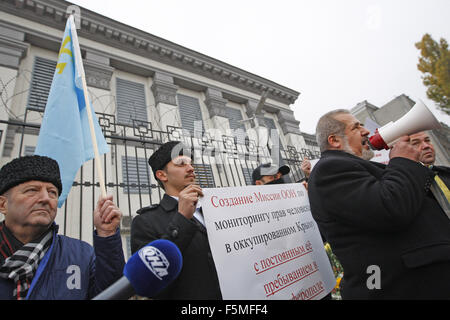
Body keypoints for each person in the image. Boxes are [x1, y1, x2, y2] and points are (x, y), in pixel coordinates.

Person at [308, 109, 450, 299]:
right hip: (402, 288)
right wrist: (402, 161)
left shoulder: (358, 167)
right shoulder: (329, 169)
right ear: (334, 140)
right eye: (356, 127)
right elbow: (390, 208)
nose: (366, 131)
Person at [0, 155, 125, 300]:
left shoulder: (82, 255)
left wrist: (107, 234)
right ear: (3, 205)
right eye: (32, 190)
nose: (46, 198)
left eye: (52, 192)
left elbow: (113, 293)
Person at [130, 141, 222, 299]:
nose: (191, 168)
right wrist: (182, 219)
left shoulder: (213, 210)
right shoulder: (145, 222)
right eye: (181, 163)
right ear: (162, 175)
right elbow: (150, 281)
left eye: (191, 164)